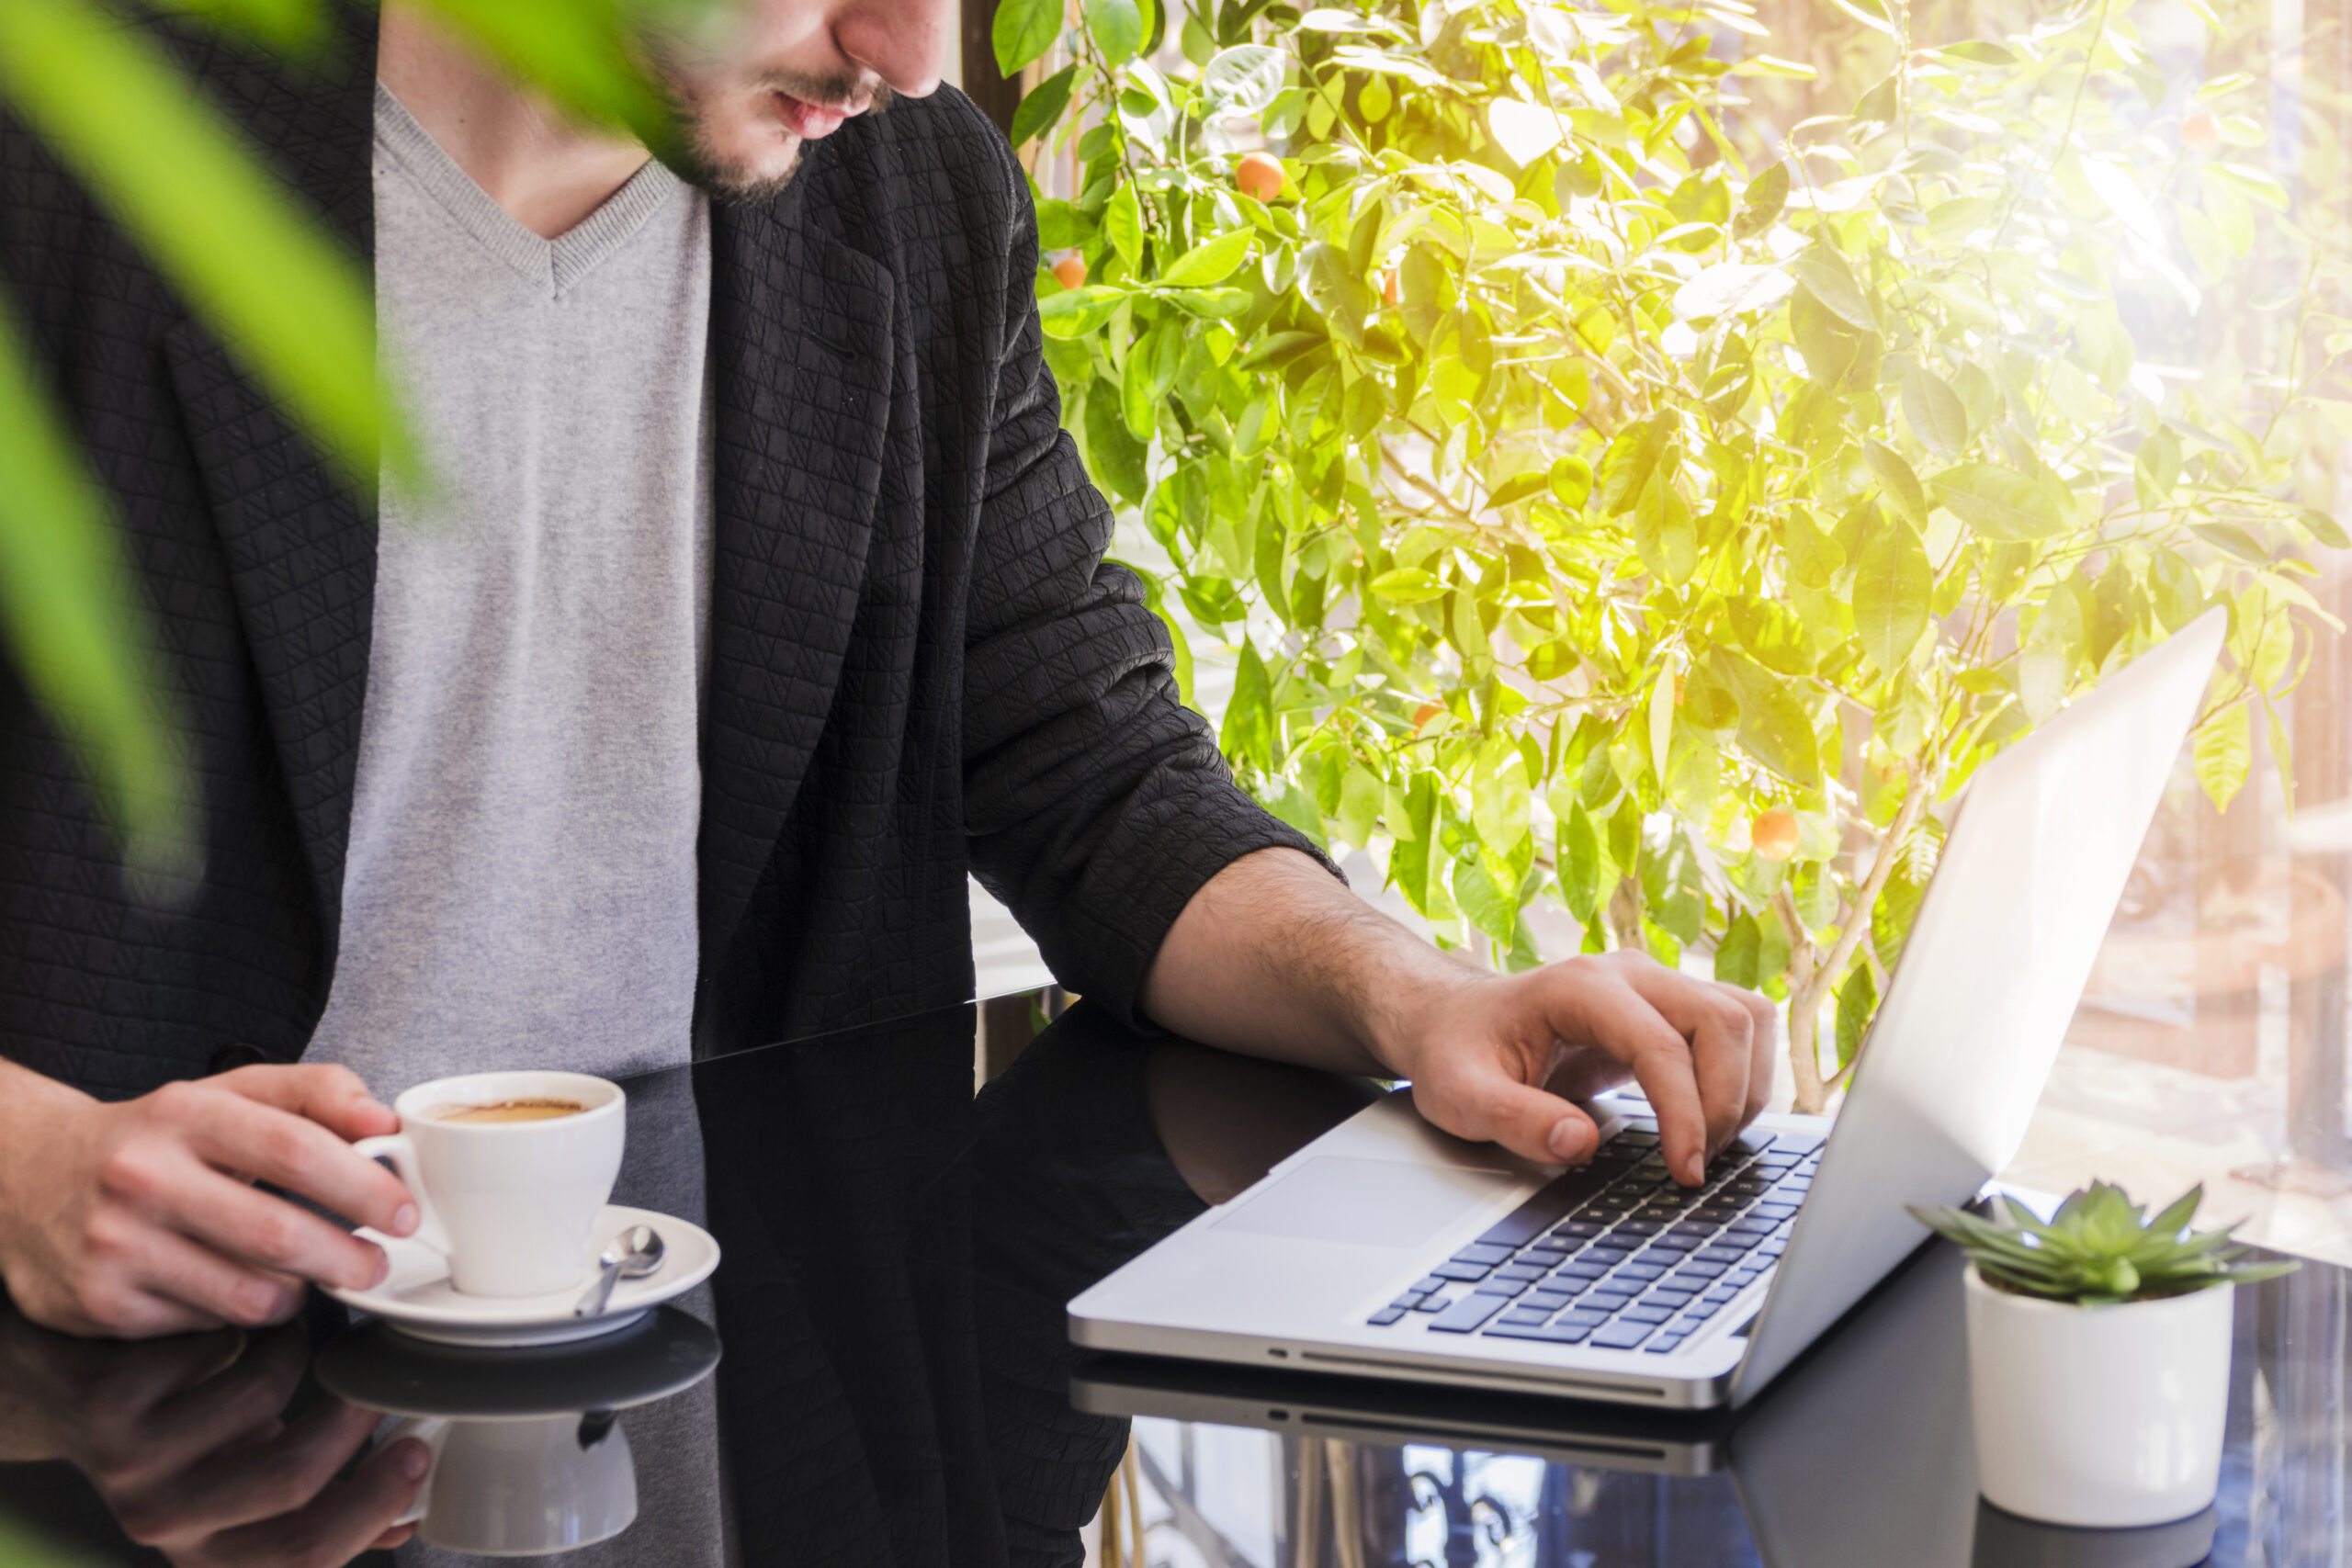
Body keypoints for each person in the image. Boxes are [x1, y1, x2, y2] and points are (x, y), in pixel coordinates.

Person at [0, 0, 1777, 1340]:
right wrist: (28, 1174)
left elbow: (1079, 754)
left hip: (729, 1391)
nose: (917, 54)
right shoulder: (64, 131)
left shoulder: (916, 205)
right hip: (166, 1421)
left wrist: (1416, 998)